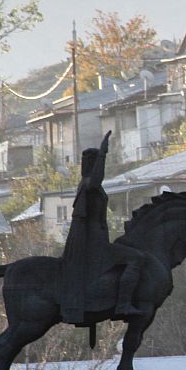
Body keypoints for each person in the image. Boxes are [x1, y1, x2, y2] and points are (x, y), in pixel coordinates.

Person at [61, 130, 147, 323]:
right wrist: (103, 153)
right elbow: (98, 177)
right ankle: (123, 304)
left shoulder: (88, 185)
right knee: (136, 259)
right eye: (95, 162)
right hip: (95, 245)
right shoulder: (89, 184)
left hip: (96, 240)